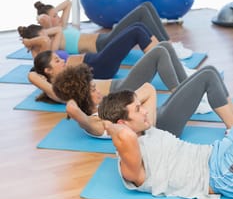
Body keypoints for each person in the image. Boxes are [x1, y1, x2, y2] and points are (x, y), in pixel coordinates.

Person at [97, 68, 233, 199]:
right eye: (138, 109)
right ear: (122, 123)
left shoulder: (147, 129)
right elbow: (126, 136)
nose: (145, 111)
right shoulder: (131, 167)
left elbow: (148, 89)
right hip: (218, 173)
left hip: (216, 152)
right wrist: (108, 124)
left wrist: (120, 105)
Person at [51, 56, 215, 138]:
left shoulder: (101, 109)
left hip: (156, 116)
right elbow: (73, 110)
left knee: (204, 75)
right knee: (207, 74)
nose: (99, 91)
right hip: (162, 128)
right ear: (82, 98)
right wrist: (73, 95)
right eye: (93, 90)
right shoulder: (96, 123)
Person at [30, 41, 190, 107]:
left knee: (163, 46)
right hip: (121, 90)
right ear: (47, 71)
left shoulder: (63, 80)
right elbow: (32, 75)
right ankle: (181, 96)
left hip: (119, 84)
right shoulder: (57, 91)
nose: (62, 61)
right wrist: (37, 73)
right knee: (160, 51)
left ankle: (186, 85)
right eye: (57, 61)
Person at [34, 0, 192, 59]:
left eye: (56, 14)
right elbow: (42, 27)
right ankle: (168, 47)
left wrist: (51, 13)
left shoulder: (61, 27)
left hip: (104, 38)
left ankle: (169, 44)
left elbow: (68, 3)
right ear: (45, 22)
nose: (57, 17)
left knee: (147, 5)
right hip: (103, 45)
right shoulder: (53, 36)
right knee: (142, 12)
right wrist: (43, 19)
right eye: (52, 17)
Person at [20, 23, 161, 79]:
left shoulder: (48, 52)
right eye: (43, 34)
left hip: (96, 60)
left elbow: (50, 34)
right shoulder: (42, 55)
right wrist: (28, 42)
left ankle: (164, 55)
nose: (47, 36)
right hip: (98, 66)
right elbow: (44, 41)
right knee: (135, 31)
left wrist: (32, 41)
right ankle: (162, 61)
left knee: (137, 26)